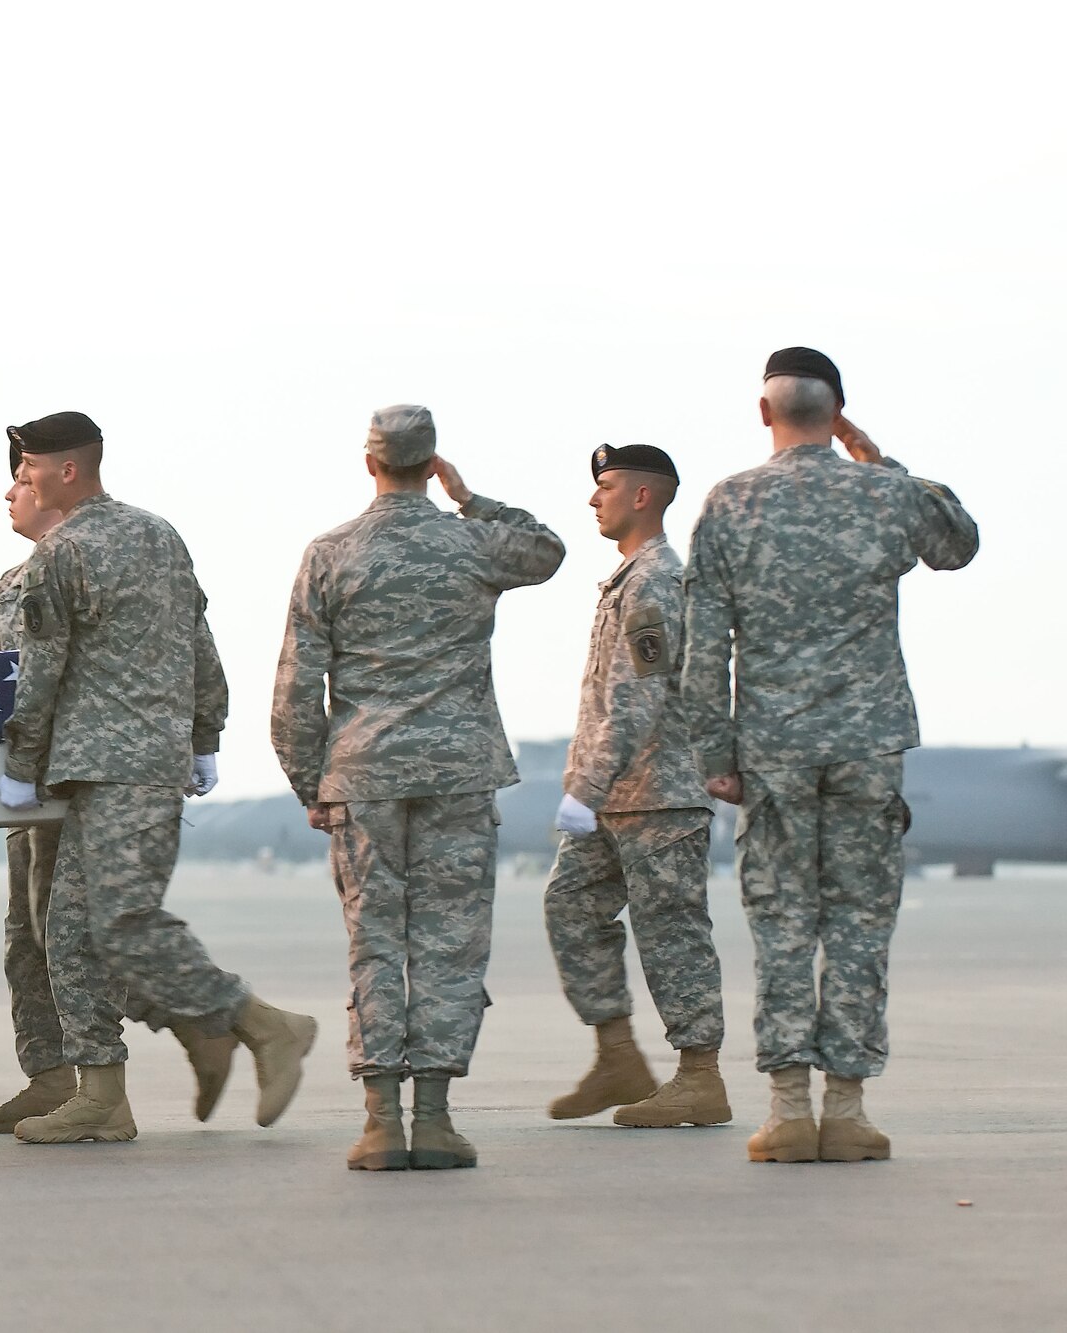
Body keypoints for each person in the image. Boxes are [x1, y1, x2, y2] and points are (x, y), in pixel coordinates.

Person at [682, 348, 978, 1164]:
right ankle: (846, 1109)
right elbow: (957, 544)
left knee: (781, 921)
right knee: (858, 920)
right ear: (838, 412)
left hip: (772, 747)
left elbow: (703, 647)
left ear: (764, 411)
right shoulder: (884, 494)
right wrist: (879, 459)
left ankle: (787, 1109)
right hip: (865, 743)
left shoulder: (732, 502)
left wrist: (714, 754)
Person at [0, 410, 318, 1146]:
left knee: (124, 922)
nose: (26, 479)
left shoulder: (62, 552)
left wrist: (19, 766)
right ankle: (102, 1094)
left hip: (112, 763)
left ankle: (266, 1025)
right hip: (133, 760)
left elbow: (39, 673)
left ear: (69, 470)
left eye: (33, 467)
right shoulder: (159, 534)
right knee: (71, 933)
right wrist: (205, 731)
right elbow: (197, 635)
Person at [271, 405, 564, 1170]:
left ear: (370, 463)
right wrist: (470, 499)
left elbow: (297, 689)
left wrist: (314, 781)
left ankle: (378, 1122)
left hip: (363, 774)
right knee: (449, 944)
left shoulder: (330, 553)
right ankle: (432, 1118)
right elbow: (548, 549)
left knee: (376, 942)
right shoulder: (472, 541)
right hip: (458, 774)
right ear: (431, 462)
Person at [0, 446, 238, 1134]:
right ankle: (52, 1072)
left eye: (20, 480)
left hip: (82, 768)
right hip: (36, 779)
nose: (9, 493)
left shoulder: (117, 553)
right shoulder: (10, 581)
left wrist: (205, 731)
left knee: (88, 929)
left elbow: (187, 640)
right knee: (29, 932)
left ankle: (193, 1028)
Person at [544, 445, 729, 1129]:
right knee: (570, 906)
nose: (596, 498)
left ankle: (700, 1075)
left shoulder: (654, 582)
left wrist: (584, 787)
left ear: (643, 497)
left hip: (658, 795)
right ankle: (617, 1053)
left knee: (672, 931)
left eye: (607, 486)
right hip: (621, 794)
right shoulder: (626, 580)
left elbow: (636, 699)